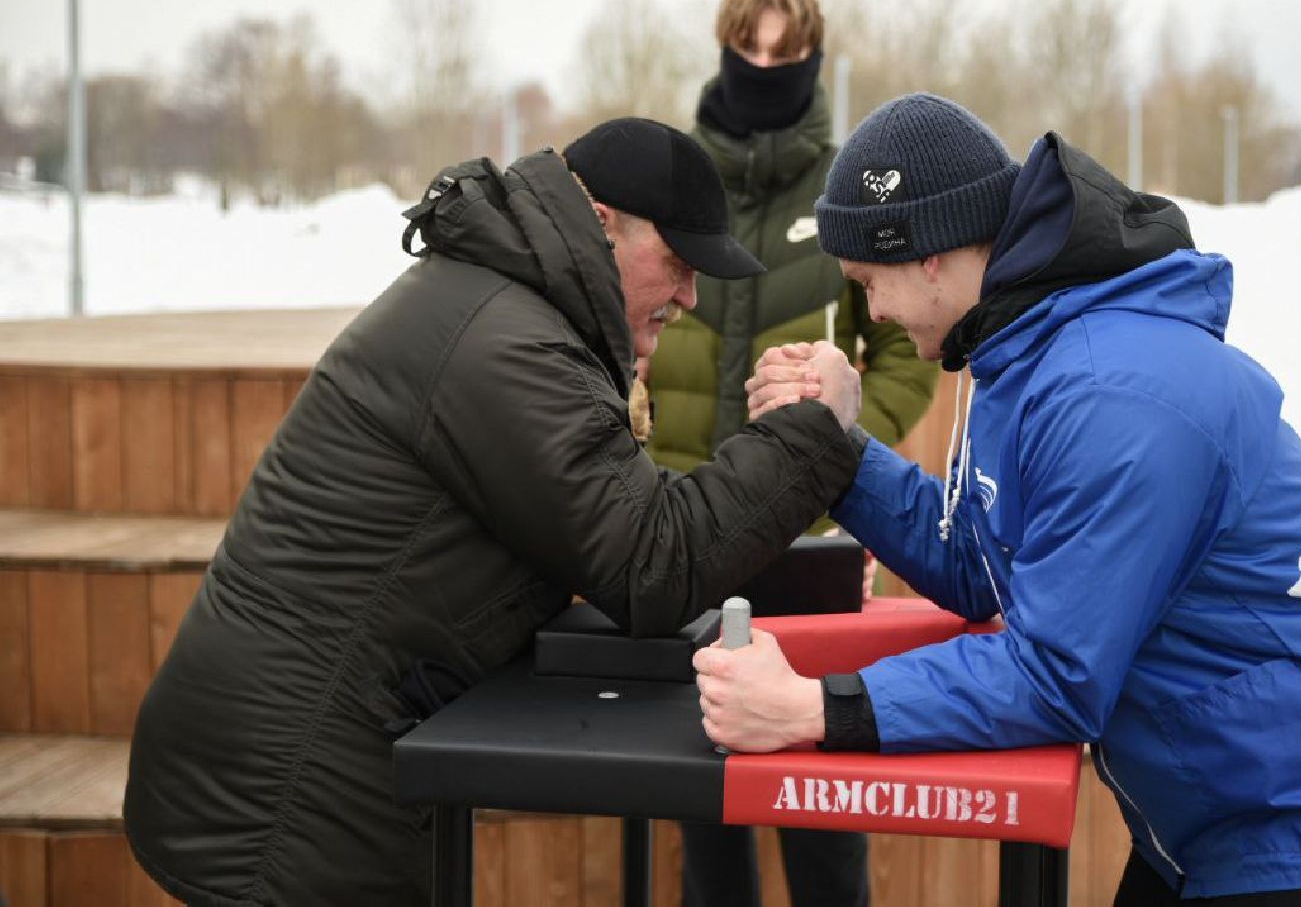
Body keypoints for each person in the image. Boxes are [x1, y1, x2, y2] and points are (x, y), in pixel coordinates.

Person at [695, 94, 1301, 905]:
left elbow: (1053, 676)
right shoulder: (1028, 345)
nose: (872, 313)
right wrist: (840, 448)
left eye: (866, 282)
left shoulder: (1110, 390)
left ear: (926, 255)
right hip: (1235, 818)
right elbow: (981, 569)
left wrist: (812, 708)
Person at [122, 118, 866, 907]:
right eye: (678, 263)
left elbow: (619, 519)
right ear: (600, 220)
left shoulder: (497, 304)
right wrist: (816, 430)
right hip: (290, 793)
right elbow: (654, 563)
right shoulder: (506, 343)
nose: (689, 296)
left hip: (297, 764)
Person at [651, 0, 937, 907]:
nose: (765, 65)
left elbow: (905, 355)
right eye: (749, 47)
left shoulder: (853, 184)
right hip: (684, 528)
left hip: (814, 539)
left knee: (824, 803)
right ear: (724, 47)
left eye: (786, 51)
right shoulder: (672, 175)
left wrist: (835, 443)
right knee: (703, 805)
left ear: (813, 56)